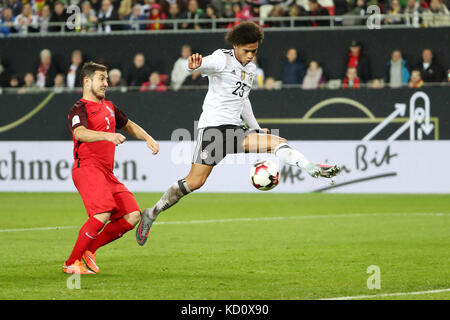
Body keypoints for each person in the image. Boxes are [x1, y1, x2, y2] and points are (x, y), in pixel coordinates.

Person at [135, 21, 340, 246]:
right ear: (235, 46)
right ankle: (151, 213)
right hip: (212, 131)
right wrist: (192, 65)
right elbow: (199, 64)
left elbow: (243, 102)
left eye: (254, 51)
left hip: (234, 131)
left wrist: (256, 129)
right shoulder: (222, 58)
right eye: (247, 51)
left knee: (277, 142)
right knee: (194, 182)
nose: (251, 56)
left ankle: (309, 167)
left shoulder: (250, 68)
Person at [64, 61, 159, 274]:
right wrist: (108, 135)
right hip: (87, 168)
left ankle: (90, 250)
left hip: (107, 173)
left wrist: (148, 138)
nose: (106, 83)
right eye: (101, 79)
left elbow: (129, 125)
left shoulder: (109, 106)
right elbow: (79, 133)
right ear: (87, 81)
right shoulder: (79, 108)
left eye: (106, 79)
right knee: (102, 212)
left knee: (133, 215)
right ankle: (71, 262)